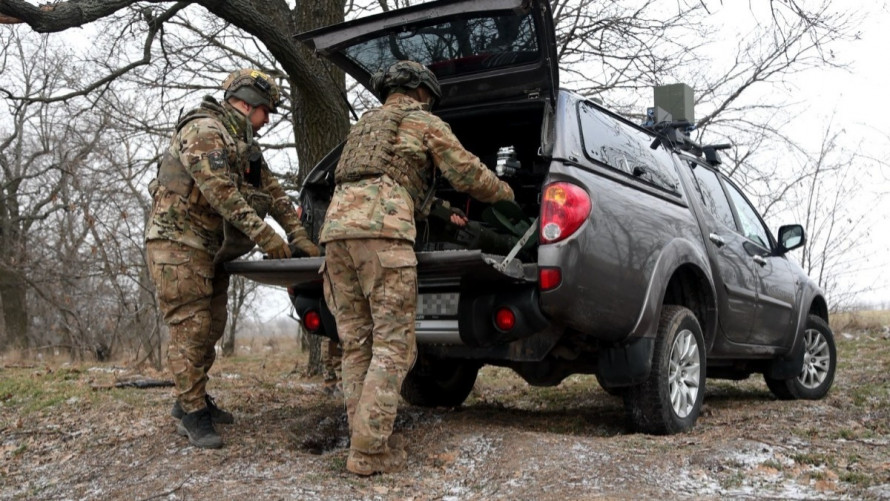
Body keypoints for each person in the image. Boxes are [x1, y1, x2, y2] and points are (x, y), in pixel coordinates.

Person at [320, 60, 514, 475]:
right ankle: (369, 453)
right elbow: (466, 173)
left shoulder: (365, 126)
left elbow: (384, 177)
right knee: (394, 344)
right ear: (423, 91)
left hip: (335, 235)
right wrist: (505, 193)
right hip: (383, 234)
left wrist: (437, 209)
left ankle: (363, 439)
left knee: (357, 344)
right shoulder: (423, 121)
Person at [145, 68, 320, 449]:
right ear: (248, 104)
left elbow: (273, 193)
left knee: (212, 326)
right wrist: (266, 236)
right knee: (191, 328)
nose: (267, 119)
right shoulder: (204, 131)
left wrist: (299, 236)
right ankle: (193, 412)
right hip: (178, 244)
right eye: (266, 110)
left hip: (211, 247)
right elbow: (221, 192)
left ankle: (188, 399)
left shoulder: (241, 143)